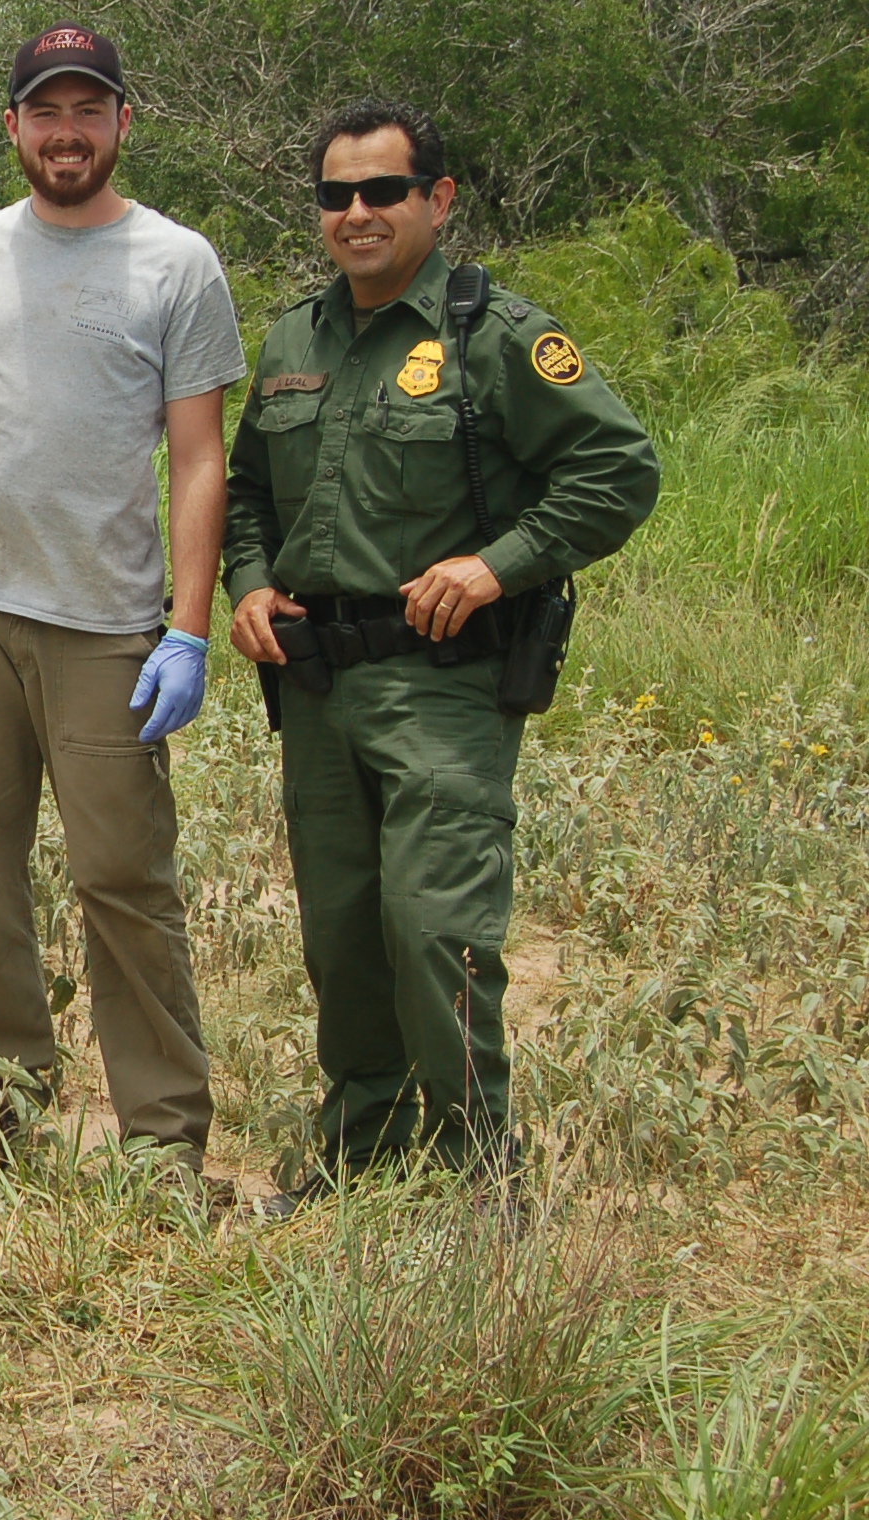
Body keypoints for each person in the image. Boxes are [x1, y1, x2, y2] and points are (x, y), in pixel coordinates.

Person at [226, 99, 657, 1207]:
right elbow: (241, 496)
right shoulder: (289, 339)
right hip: (315, 683)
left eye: (381, 190)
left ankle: (479, 1176)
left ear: (437, 199)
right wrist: (246, 583)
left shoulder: (493, 334)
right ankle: (357, 1150)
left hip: (442, 682)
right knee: (340, 926)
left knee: (434, 924)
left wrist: (495, 564)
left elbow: (616, 469)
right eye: (335, 194)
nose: (356, 213)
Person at [0, 24, 247, 1176]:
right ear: (13, 129)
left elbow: (197, 456)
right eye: (45, 111)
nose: (66, 131)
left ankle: (160, 1137)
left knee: (121, 877)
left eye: (88, 110)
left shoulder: (175, 262)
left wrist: (185, 628)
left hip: (105, 617)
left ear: (122, 124)